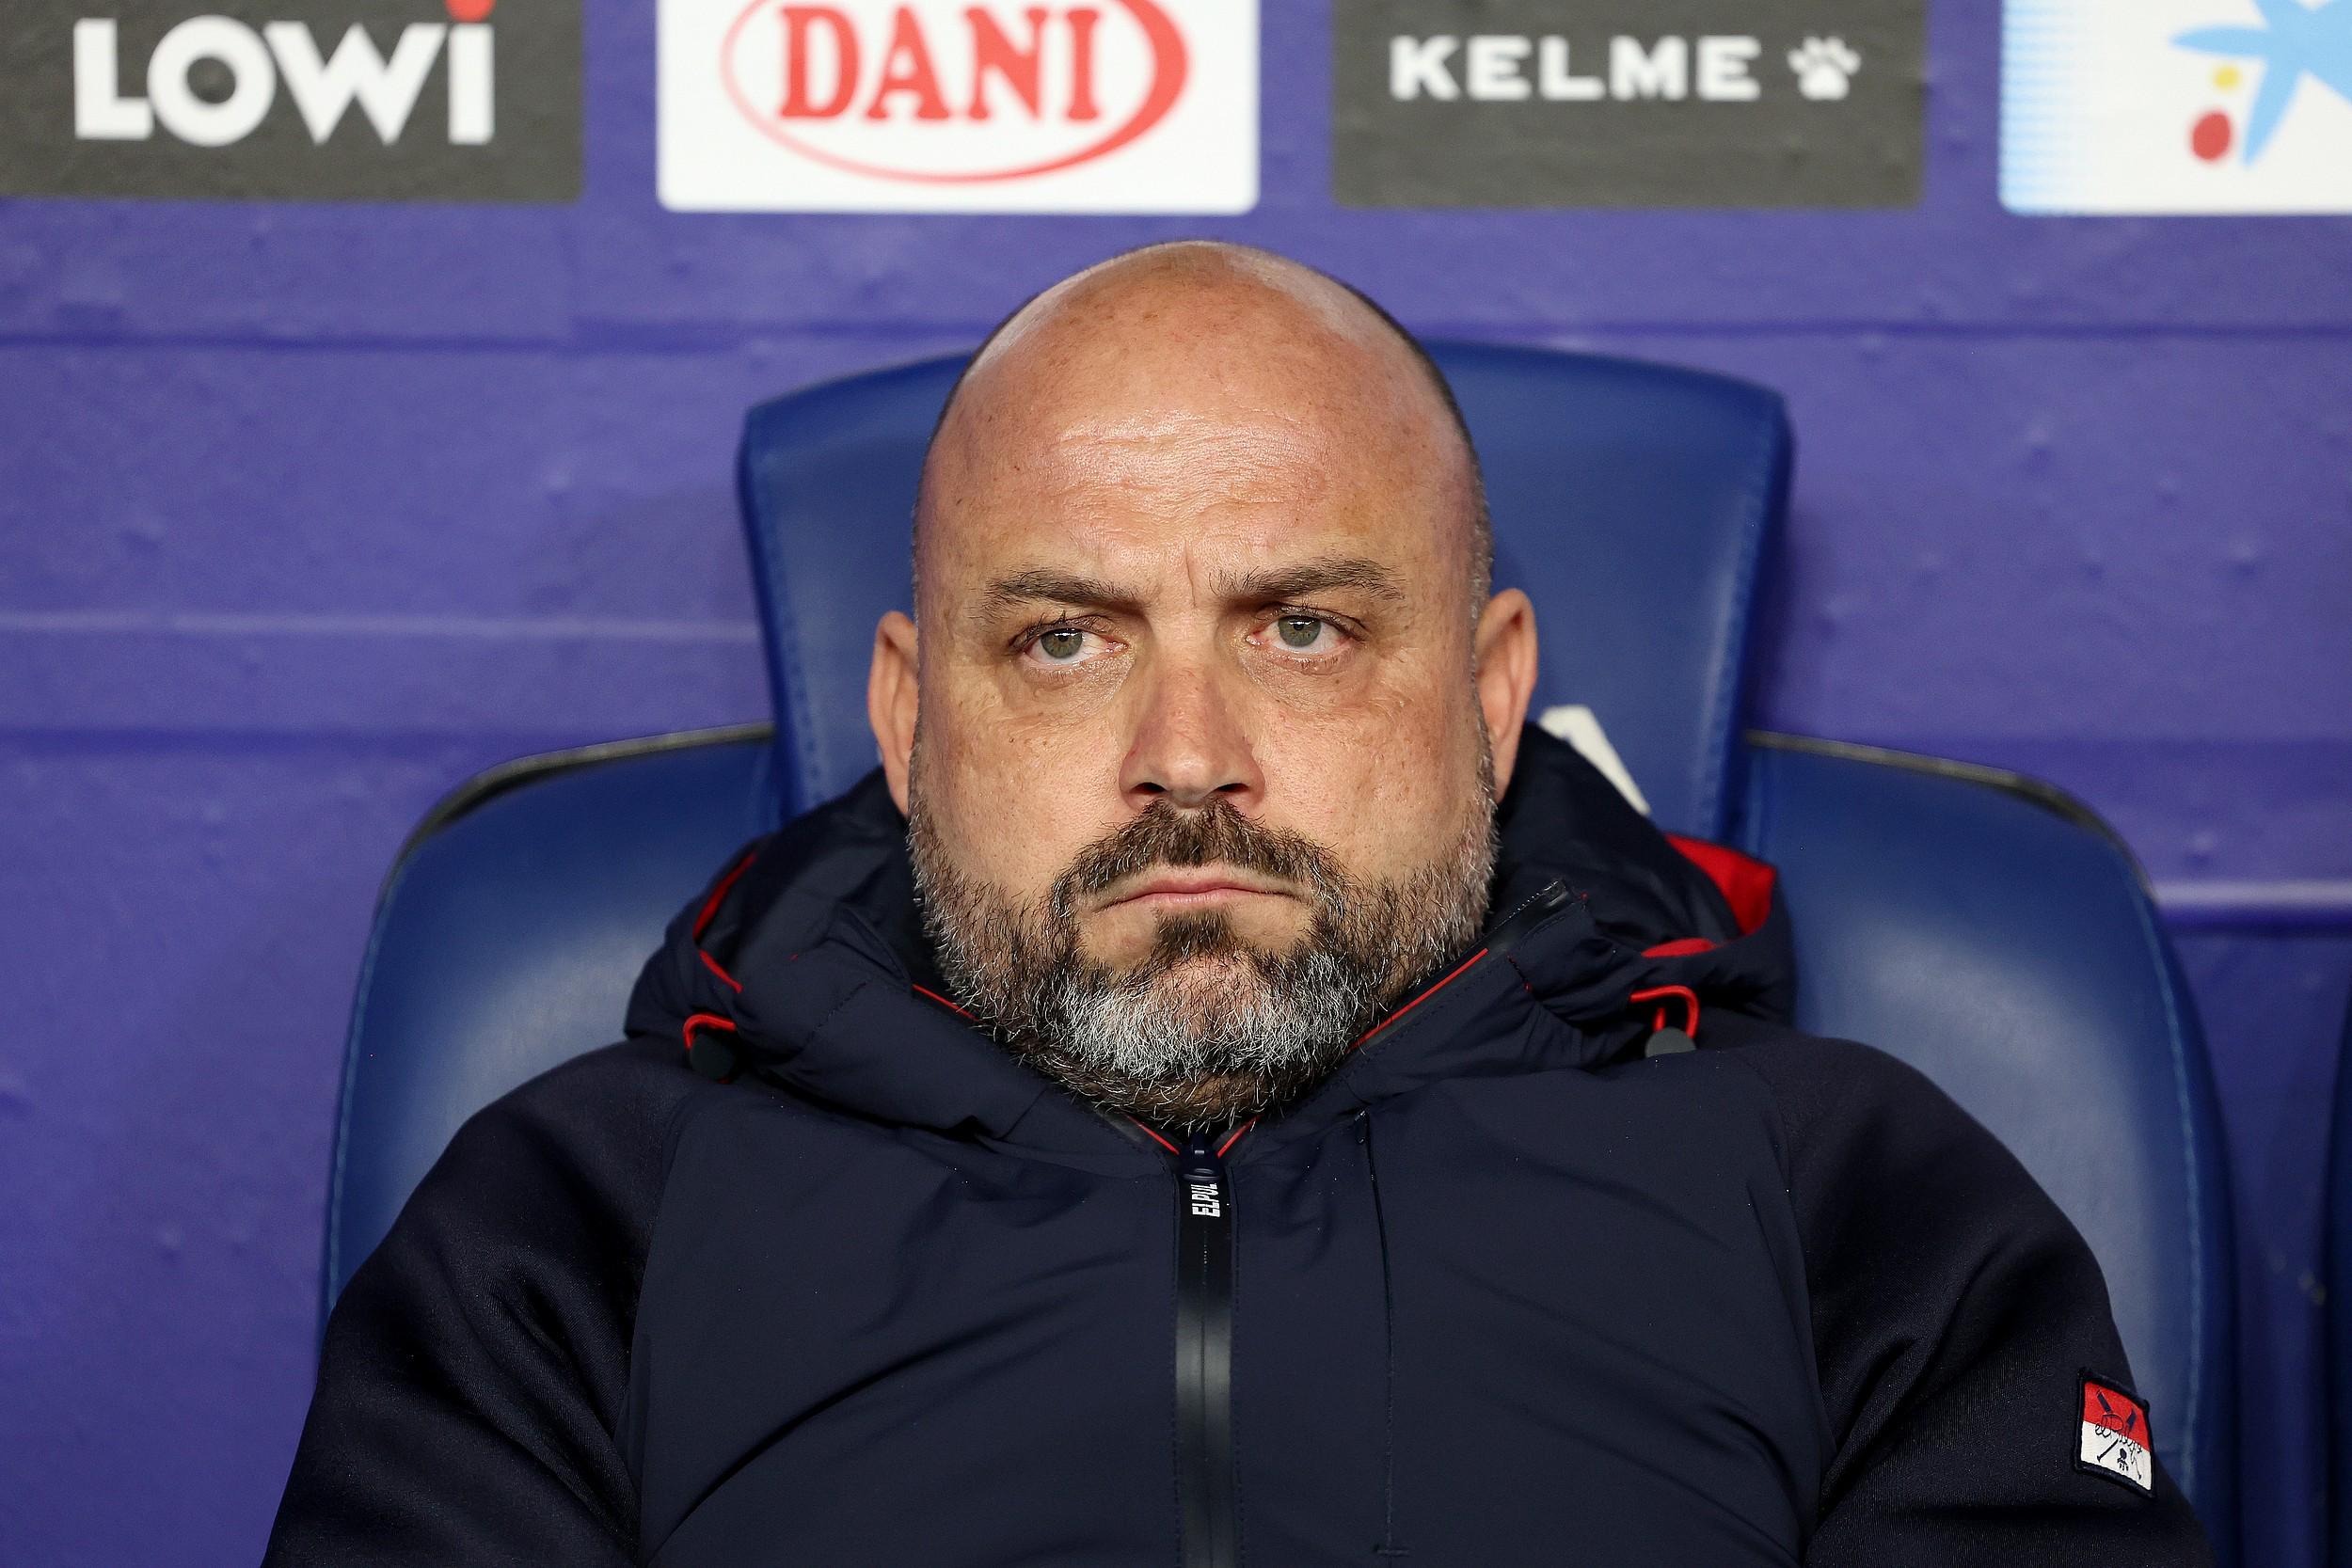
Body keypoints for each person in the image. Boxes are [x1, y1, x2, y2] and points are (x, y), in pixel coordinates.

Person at [264, 242, 2212, 1566]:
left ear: (1489, 697)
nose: (1185, 755)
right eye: (1063, 640)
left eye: (1301, 629)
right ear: (907, 719)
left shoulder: (1846, 1199)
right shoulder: (581, 1224)